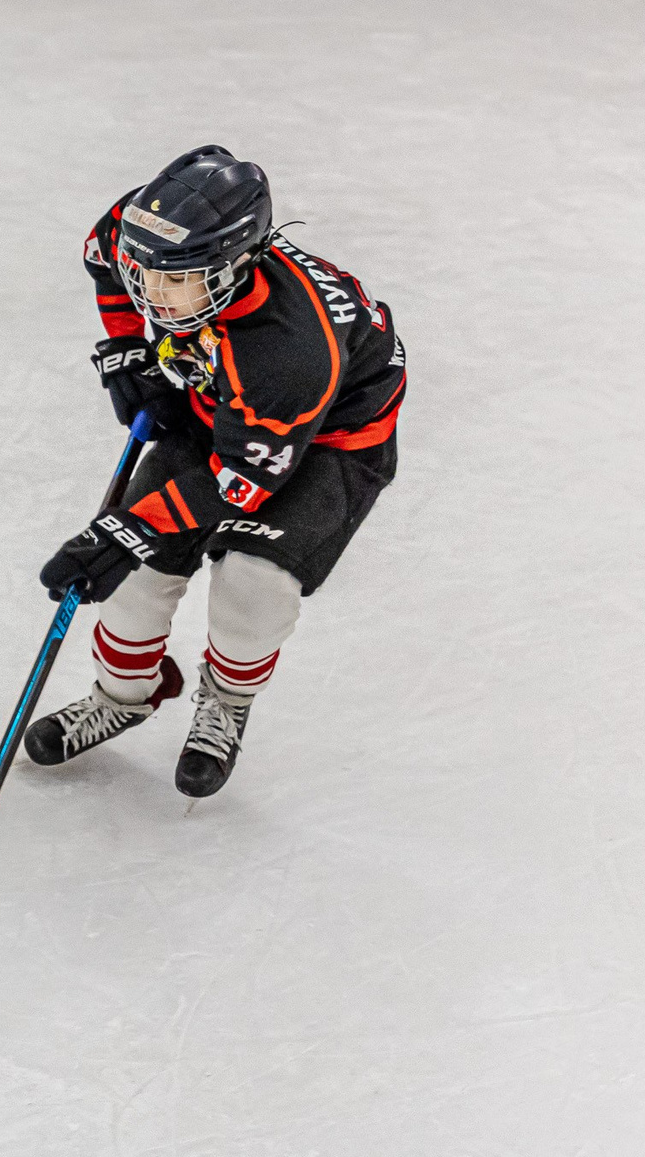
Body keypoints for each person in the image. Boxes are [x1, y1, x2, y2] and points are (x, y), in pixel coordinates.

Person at [24, 146, 405, 796]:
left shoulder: (287, 355)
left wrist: (122, 529)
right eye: (147, 273)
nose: (153, 292)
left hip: (327, 441)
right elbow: (107, 261)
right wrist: (124, 352)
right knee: (136, 575)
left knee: (253, 583)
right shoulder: (143, 235)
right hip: (227, 405)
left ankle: (226, 701)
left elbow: (236, 483)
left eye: (177, 280)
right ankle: (124, 695)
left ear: (233, 267)